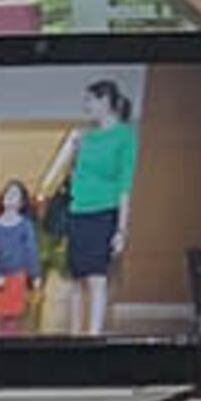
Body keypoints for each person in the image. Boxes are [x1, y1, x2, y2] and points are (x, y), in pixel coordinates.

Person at [55, 73, 136, 338]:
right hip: (77, 212)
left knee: (96, 278)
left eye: (89, 100)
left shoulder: (125, 136)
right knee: (76, 278)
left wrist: (122, 229)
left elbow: (125, 185)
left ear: (105, 101)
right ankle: (75, 335)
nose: (85, 106)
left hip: (104, 213)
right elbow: (62, 176)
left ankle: (93, 335)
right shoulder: (85, 137)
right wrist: (71, 147)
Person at [0, 179, 39, 331]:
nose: (10, 196)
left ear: (21, 202)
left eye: (15, 194)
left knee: (12, 319)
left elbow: (31, 250)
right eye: (7, 193)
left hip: (17, 277)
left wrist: (34, 274)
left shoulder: (25, 225)